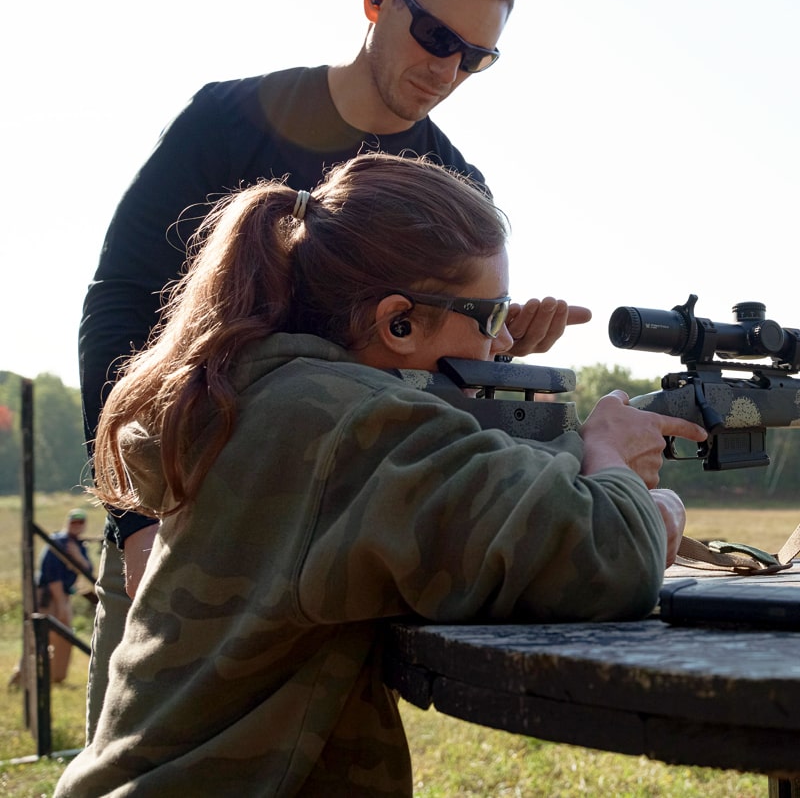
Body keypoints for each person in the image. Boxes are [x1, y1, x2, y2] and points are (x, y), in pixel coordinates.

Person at [55, 153, 706, 796]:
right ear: (398, 322)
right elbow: (606, 556)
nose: (503, 345)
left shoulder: (261, 397)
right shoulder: (353, 426)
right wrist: (618, 462)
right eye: (491, 317)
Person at [77, 0, 585, 739]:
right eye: (434, 35)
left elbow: (424, 390)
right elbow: (120, 304)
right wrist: (137, 521)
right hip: (183, 527)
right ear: (376, 0)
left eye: (475, 56)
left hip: (336, 556)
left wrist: (494, 346)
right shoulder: (228, 121)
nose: (446, 68)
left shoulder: (454, 184)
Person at [8, 510, 92, 687]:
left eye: (80, 522)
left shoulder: (79, 546)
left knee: (65, 638)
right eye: (74, 522)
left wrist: (77, 556)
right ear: (67, 522)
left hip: (65, 596)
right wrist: (60, 604)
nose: (77, 526)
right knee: (39, 636)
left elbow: (88, 570)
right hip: (49, 596)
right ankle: (21, 676)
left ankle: (56, 677)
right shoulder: (57, 542)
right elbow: (53, 576)